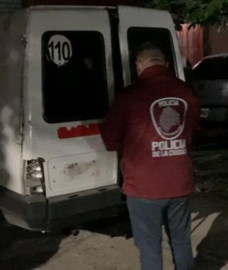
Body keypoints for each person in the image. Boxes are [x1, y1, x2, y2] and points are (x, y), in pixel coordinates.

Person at [100, 42, 201, 270]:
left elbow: (110, 139)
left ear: (138, 65)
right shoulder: (186, 92)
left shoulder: (129, 96)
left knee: (150, 247)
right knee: (182, 241)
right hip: (179, 181)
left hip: (144, 187)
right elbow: (193, 129)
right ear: (165, 63)